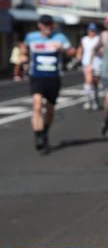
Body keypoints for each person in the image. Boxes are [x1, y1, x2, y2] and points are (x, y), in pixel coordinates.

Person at [23, 15, 75, 153]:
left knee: (50, 109)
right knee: (37, 105)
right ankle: (38, 136)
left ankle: (45, 131)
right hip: (37, 77)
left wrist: (63, 49)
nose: (48, 27)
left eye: (50, 24)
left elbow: (72, 51)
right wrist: (23, 56)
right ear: (39, 25)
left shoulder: (60, 38)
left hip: (53, 77)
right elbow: (24, 49)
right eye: (45, 24)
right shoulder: (31, 37)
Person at [77, 23, 101, 110]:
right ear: (87, 31)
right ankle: (88, 100)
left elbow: (102, 49)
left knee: (95, 84)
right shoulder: (84, 39)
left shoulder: (98, 39)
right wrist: (79, 55)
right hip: (87, 63)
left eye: (93, 30)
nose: (92, 32)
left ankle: (95, 99)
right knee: (88, 81)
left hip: (97, 63)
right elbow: (81, 48)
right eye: (90, 30)